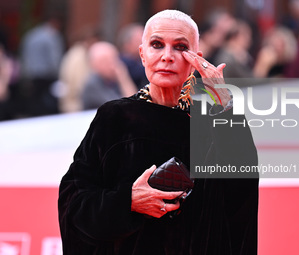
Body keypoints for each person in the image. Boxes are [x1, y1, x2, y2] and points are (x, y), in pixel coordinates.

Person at [58, 10, 258, 255]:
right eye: (156, 44)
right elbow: (74, 204)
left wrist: (224, 104)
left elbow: (242, 198)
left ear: (197, 58)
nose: (167, 56)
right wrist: (127, 202)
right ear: (142, 54)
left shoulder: (215, 120)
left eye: (180, 47)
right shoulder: (115, 118)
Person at [81, 41, 137, 110]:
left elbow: (135, 102)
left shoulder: (112, 80)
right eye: (106, 61)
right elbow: (123, 107)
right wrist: (123, 77)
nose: (114, 65)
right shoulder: (92, 84)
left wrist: (124, 78)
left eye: (115, 59)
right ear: (95, 64)